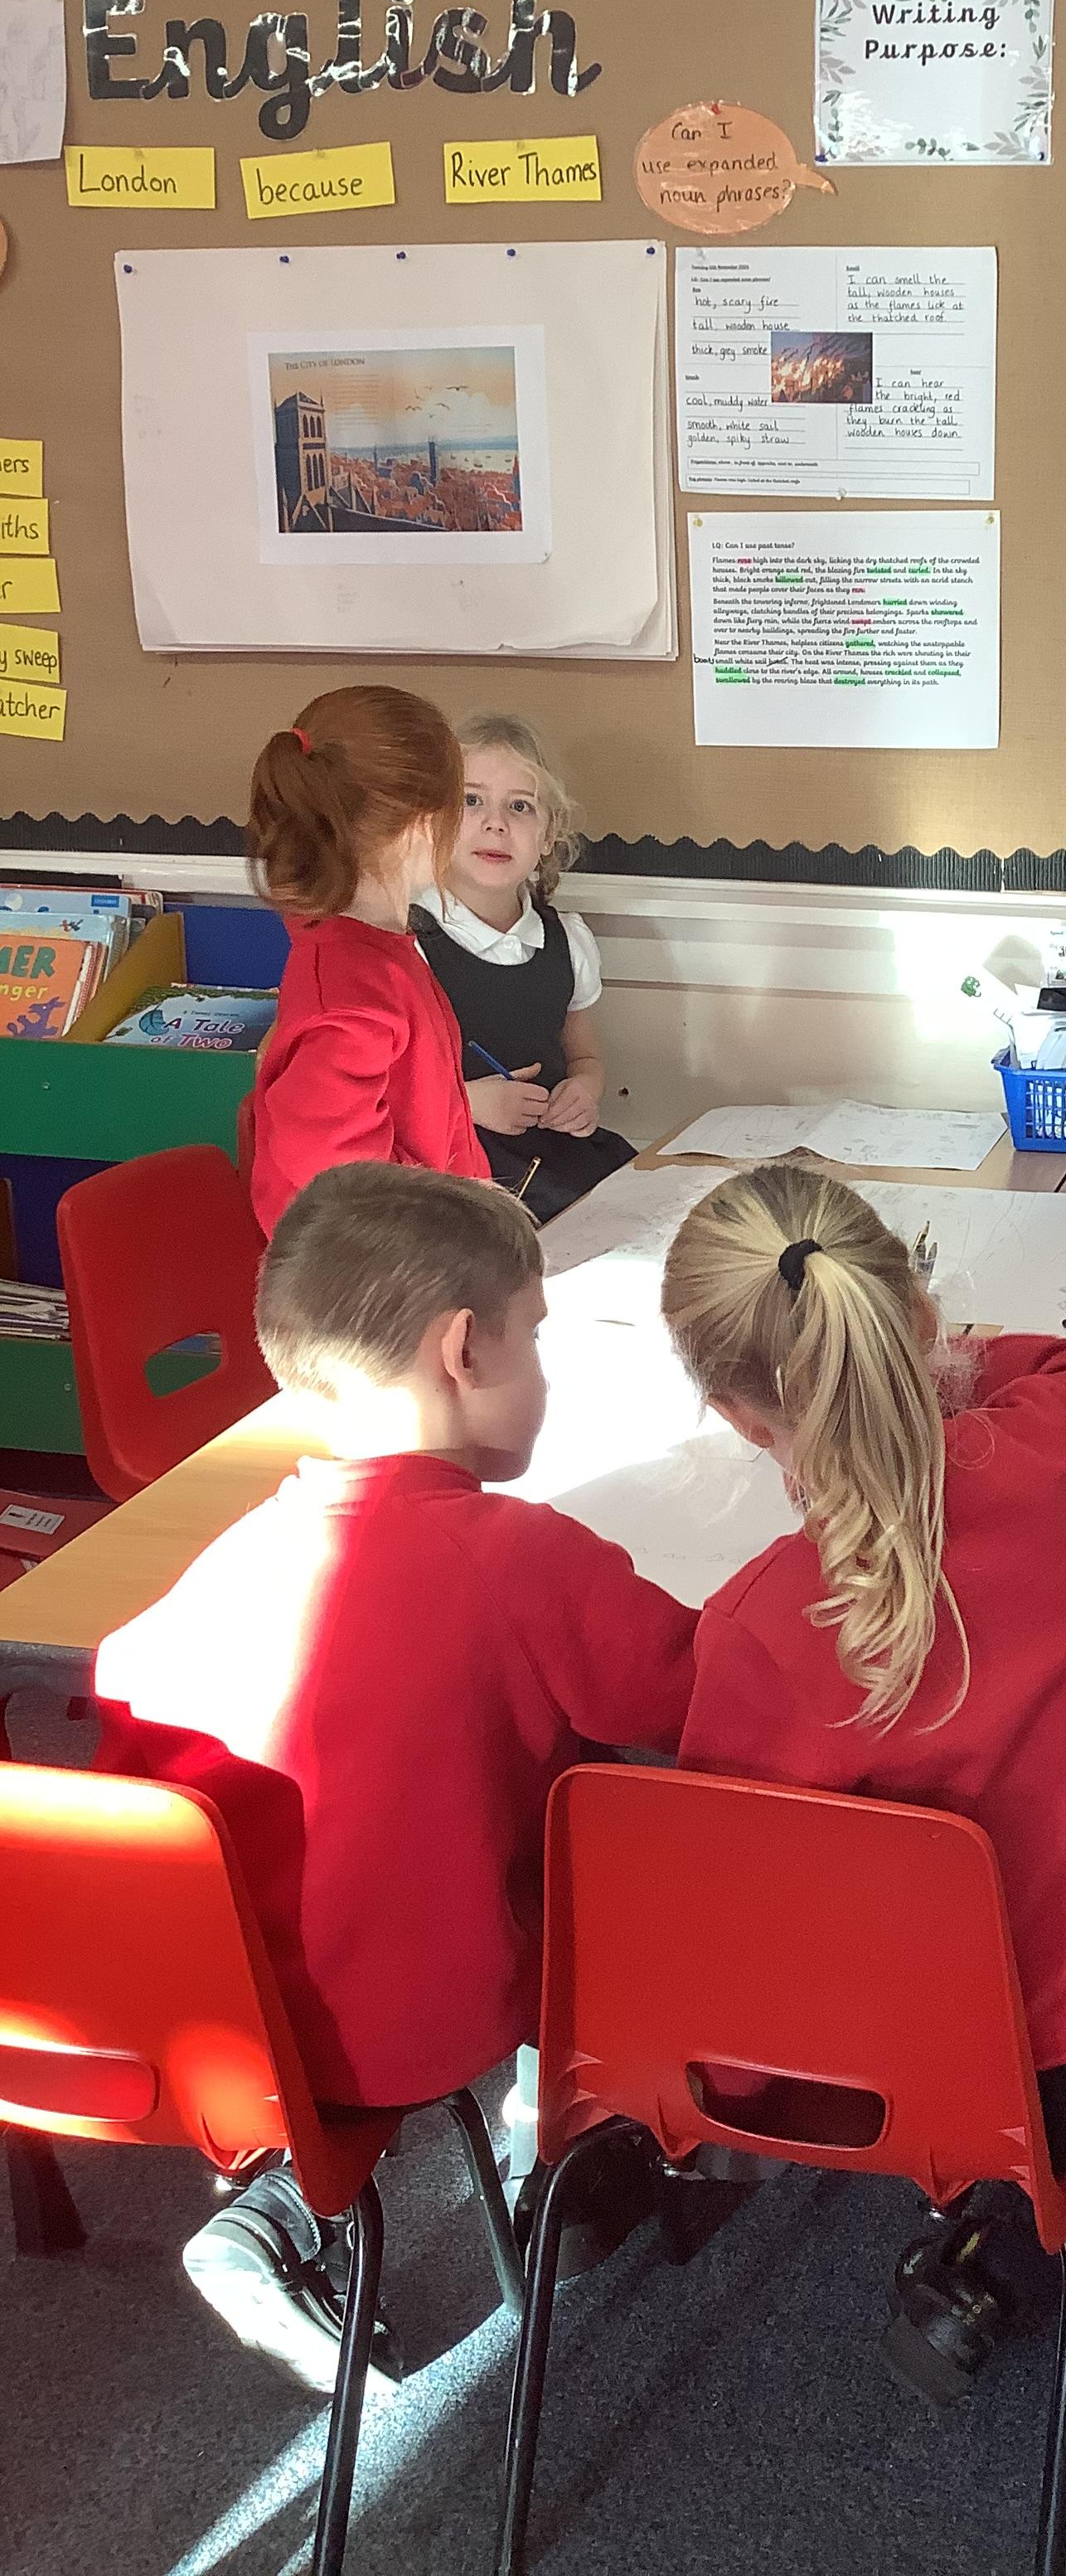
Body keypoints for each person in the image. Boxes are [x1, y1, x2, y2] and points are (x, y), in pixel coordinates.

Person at [660, 1162, 1066, 2401]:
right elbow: (1060, 1357)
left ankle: (1031, 2227)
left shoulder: (755, 1629)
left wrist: (746, 2099)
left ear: (741, 1421)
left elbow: (746, 1916)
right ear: (919, 1320)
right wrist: (916, 1348)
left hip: (933, 2081)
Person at [93, 1163, 699, 2392]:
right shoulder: (523, 1558)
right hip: (430, 2012)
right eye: (536, 1335)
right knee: (631, 1831)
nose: (544, 1367)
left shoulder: (201, 1589)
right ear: (464, 1349)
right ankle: (565, 2136)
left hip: (229, 2039)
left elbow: (122, 1813)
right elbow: (692, 1700)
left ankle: (283, 2205)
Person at [245, 686, 489, 1239]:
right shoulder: (353, 992)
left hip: (420, 1253)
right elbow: (347, 1190)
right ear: (424, 825)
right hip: (374, 1276)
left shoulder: (374, 951)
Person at [413, 713, 635, 1226]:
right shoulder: (410, 944)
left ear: (549, 834)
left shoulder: (566, 941)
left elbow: (585, 1057)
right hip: (456, 1175)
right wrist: (467, 1103)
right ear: (434, 820)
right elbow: (382, 1093)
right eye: (471, 801)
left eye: (520, 806)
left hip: (554, 1157)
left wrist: (584, 1090)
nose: (496, 823)